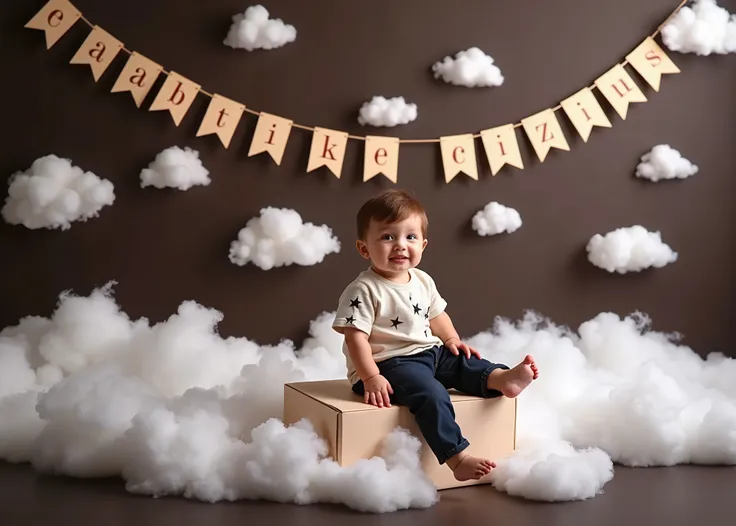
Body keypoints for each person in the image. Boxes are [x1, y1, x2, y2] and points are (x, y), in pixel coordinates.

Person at [332, 189, 539, 482]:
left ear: (423, 245)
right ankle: (457, 458)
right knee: (432, 393)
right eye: (388, 237)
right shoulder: (363, 289)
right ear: (364, 248)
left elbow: (437, 316)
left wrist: (452, 340)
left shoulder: (422, 280)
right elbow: (355, 338)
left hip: (429, 352)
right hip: (389, 364)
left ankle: (502, 379)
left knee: (464, 362)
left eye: (410, 237)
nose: (400, 245)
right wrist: (370, 377)